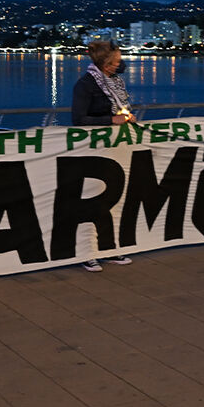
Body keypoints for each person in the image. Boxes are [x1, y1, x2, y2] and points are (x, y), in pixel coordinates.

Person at [71, 40, 134, 271]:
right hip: (91, 149)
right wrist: (111, 120)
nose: (119, 65)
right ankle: (86, 252)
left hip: (113, 149)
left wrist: (126, 117)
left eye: (119, 61)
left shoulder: (114, 81)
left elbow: (118, 110)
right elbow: (79, 120)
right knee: (91, 201)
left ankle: (108, 248)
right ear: (104, 64)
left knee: (112, 201)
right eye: (115, 62)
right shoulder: (85, 85)